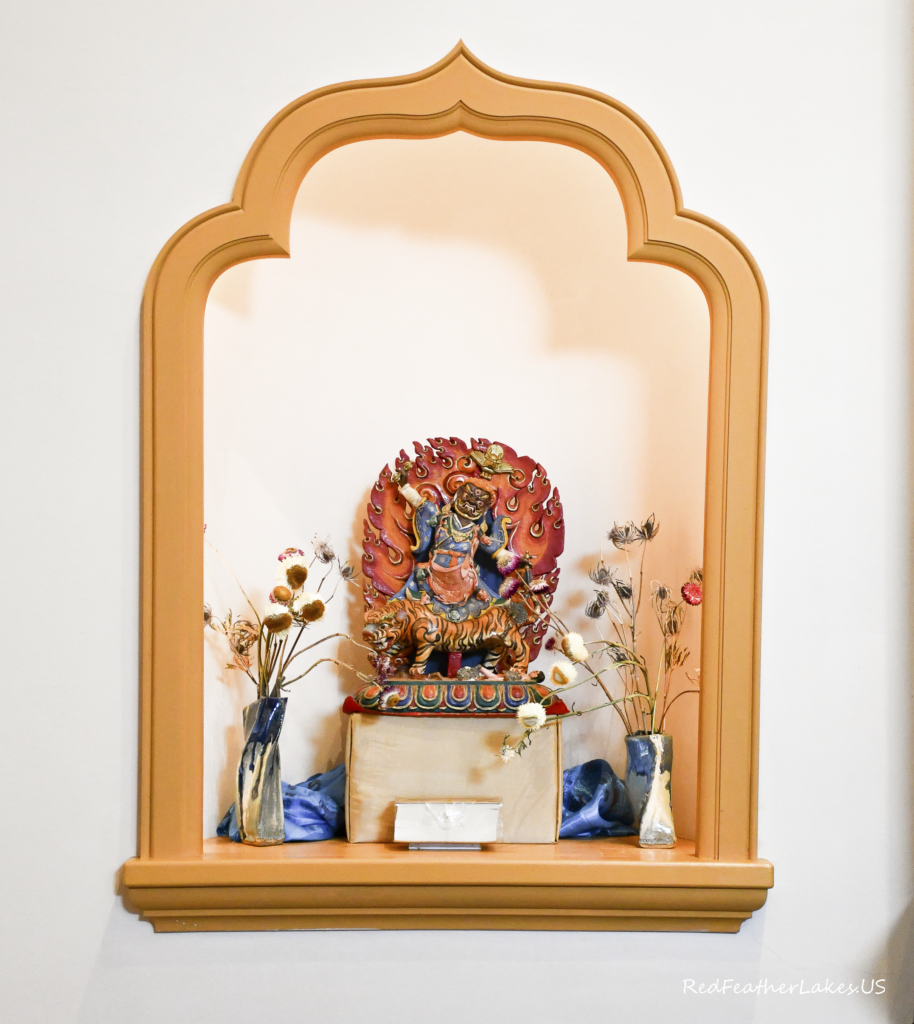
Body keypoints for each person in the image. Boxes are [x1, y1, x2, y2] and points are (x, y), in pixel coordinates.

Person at [391, 462, 512, 623]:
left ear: (483, 510)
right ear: (457, 497)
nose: (471, 504)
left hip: (462, 578)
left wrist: (516, 561)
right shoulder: (442, 518)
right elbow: (421, 503)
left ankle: (489, 600)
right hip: (436, 571)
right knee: (419, 571)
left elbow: (493, 549)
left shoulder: (476, 531)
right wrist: (404, 486)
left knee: (475, 580)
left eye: (478, 503)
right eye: (468, 498)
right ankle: (421, 596)